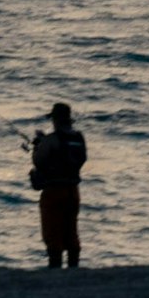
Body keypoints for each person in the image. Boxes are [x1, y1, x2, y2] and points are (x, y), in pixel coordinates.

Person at [26, 103, 87, 269]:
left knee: (52, 233)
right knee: (71, 231)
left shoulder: (52, 139)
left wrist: (38, 145)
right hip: (73, 191)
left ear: (55, 120)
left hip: (53, 192)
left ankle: (55, 268)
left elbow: (38, 160)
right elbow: (81, 160)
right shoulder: (79, 138)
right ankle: (74, 268)